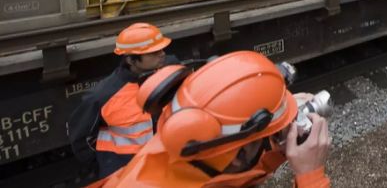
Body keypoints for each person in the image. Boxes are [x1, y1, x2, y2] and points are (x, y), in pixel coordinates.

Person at [95, 51, 331, 187]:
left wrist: (276, 148)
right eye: (265, 135)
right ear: (239, 155)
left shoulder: (177, 150)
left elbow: (230, 169)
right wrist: (310, 175)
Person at [68, 23, 173, 178]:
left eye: (162, 49)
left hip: (161, 164)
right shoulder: (104, 95)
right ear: (131, 60)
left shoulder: (167, 72)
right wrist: (104, 165)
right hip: (125, 173)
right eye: (154, 52)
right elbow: (80, 138)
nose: (162, 54)